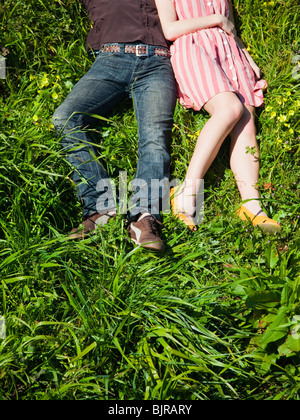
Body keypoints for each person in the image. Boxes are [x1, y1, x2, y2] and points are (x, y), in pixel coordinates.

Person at [52, 0, 177, 252]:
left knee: (155, 138)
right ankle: (101, 208)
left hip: (158, 62)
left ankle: (144, 218)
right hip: (110, 59)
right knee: (64, 118)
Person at [155, 0, 282, 233]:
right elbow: (170, 29)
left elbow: (230, 26)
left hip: (229, 52)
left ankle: (251, 204)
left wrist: (245, 54)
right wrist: (216, 20)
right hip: (193, 47)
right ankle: (186, 191)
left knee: (246, 120)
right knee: (229, 109)